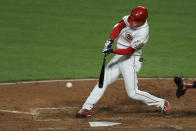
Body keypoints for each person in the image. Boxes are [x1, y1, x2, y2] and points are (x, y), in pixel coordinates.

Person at [76, 6, 172, 118]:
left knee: (133, 93)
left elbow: (129, 51)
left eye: (136, 21)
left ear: (143, 20)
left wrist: (111, 50)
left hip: (131, 60)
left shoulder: (143, 33)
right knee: (103, 80)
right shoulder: (130, 18)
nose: (132, 23)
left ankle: (162, 103)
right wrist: (110, 40)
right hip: (119, 56)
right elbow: (119, 26)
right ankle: (87, 108)